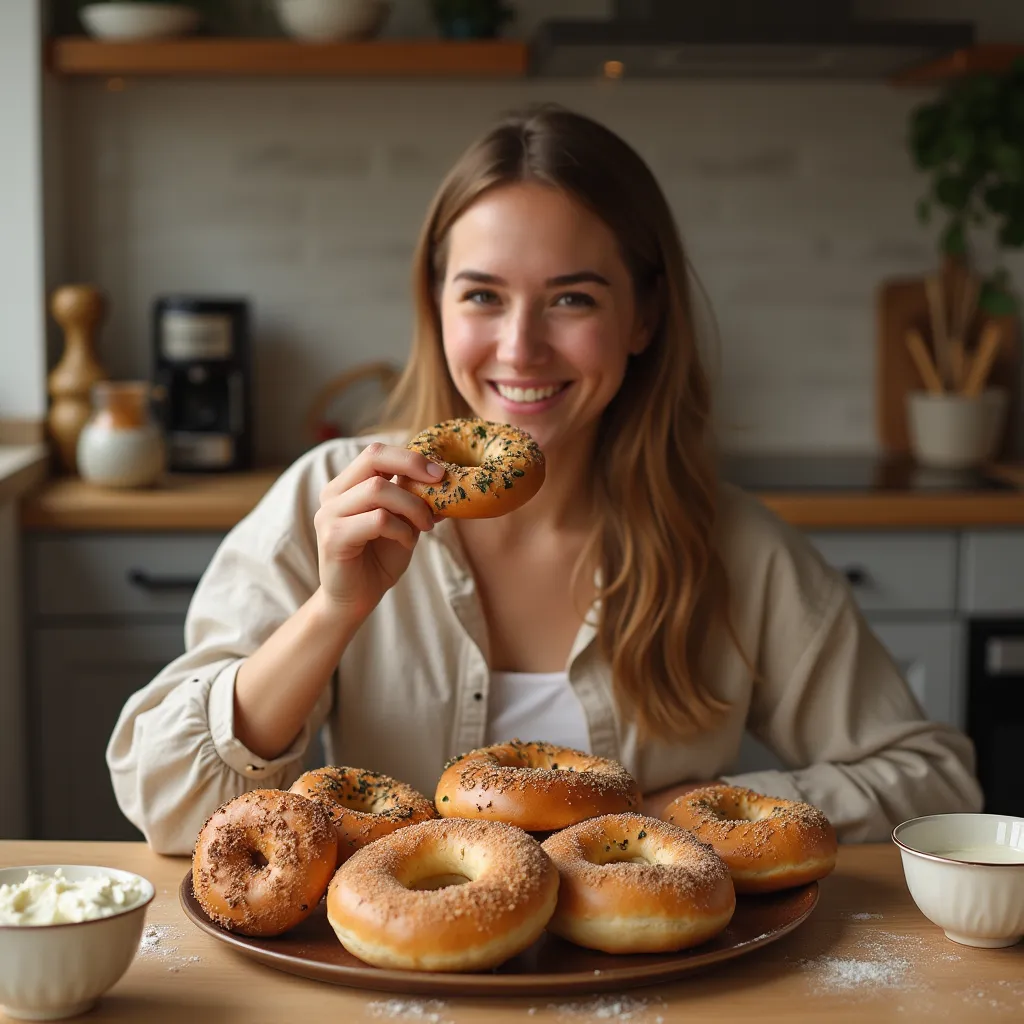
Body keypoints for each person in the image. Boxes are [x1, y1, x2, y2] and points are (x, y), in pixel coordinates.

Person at [107, 103, 983, 856]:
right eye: (483, 296)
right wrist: (332, 611)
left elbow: (934, 782)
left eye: (572, 298)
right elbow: (168, 805)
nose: (520, 348)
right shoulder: (331, 500)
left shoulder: (729, 545)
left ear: (642, 316)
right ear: (437, 303)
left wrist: (703, 816)